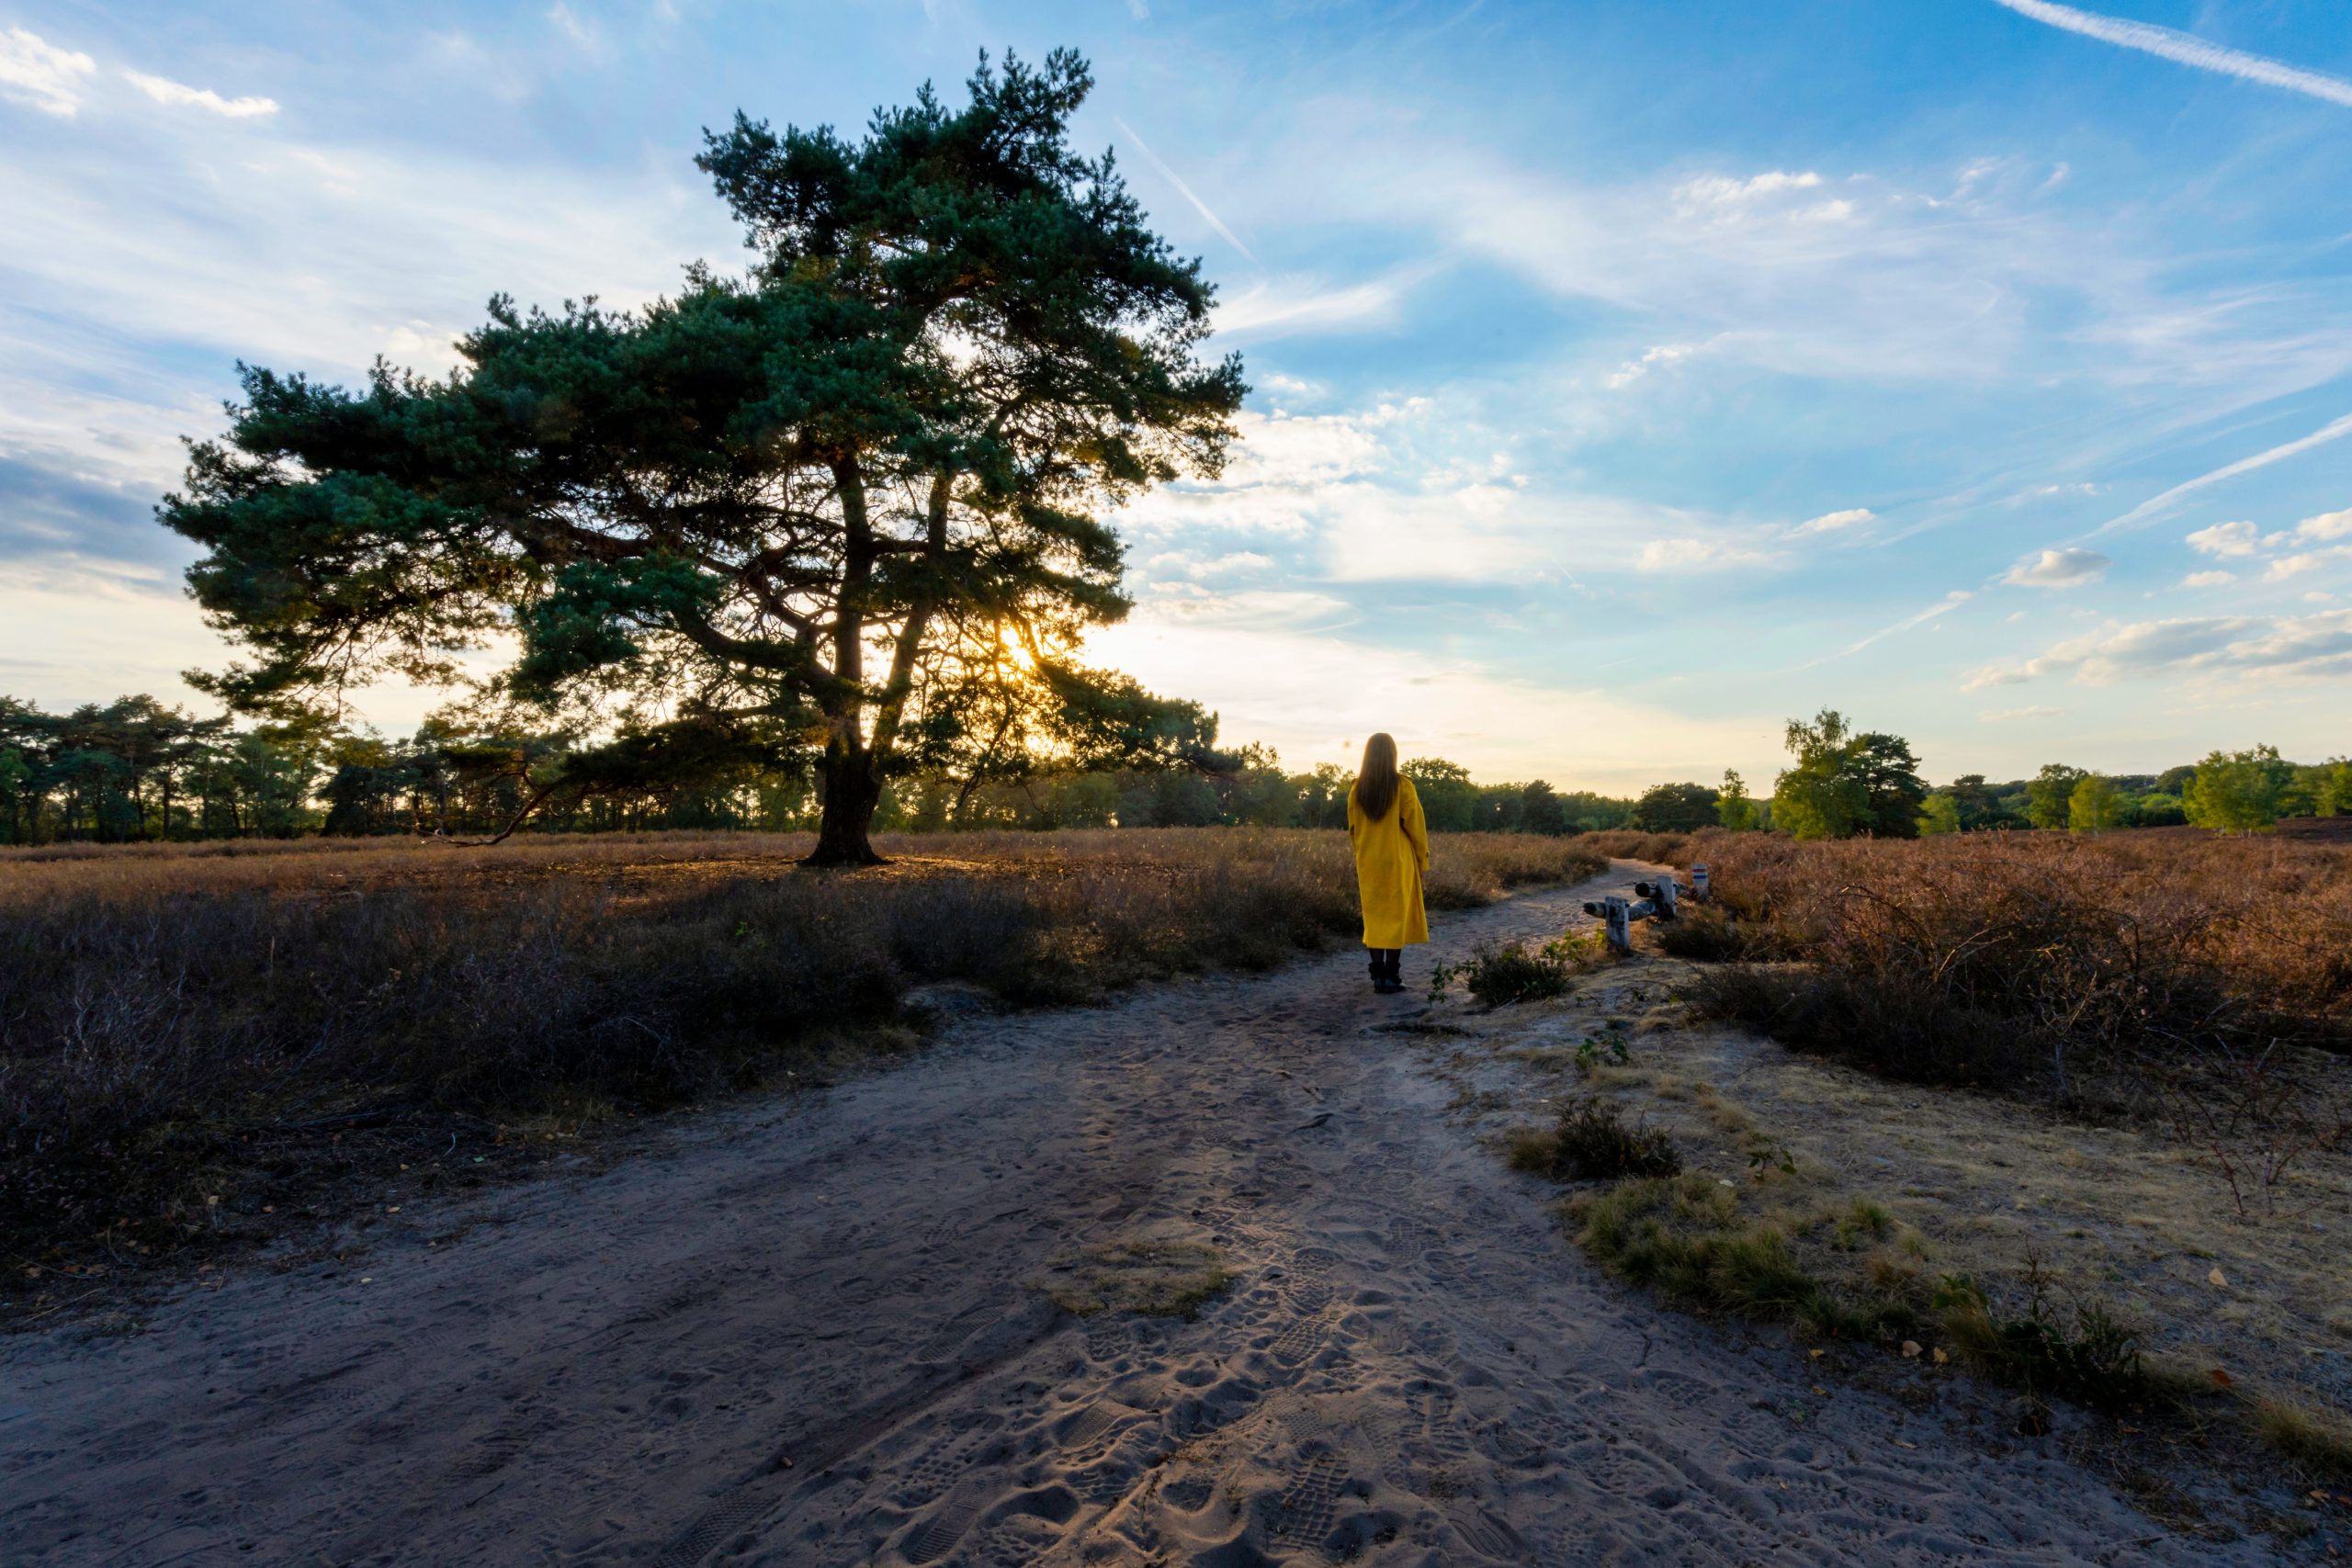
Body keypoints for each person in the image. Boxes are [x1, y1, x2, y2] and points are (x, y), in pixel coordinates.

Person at [1346, 732, 1429, 994]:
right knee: (1394, 917)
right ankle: (1391, 977)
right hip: (1397, 860)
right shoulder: (1403, 786)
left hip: (1368, 861)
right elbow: (1416, 826)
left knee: (1375, 918)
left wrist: (1362, 854)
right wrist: (1421, 859)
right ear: (1392, 755)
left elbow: (1353, 830)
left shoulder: (1357, 788)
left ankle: (1377, 977)